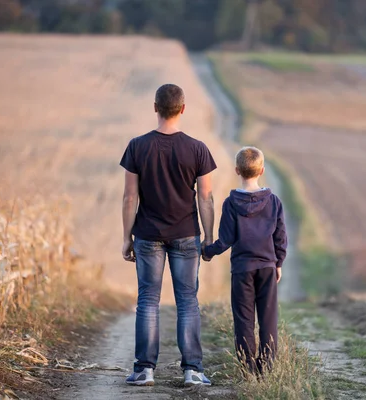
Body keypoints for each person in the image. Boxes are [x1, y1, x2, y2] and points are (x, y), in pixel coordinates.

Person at [120, 84, 215, 387]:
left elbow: (129, 198)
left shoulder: (137, 146)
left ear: (155, 107)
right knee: (187, 300)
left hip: (147, 234)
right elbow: (206, 198)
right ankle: (193, 371)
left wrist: (126, 237)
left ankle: (144, 370)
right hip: (187, 234)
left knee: (148, 300)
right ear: (183, 109)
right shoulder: (197, 148)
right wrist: (209, 236)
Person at [202, 146, 287, 375]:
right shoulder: (274, 202)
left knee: (243, 319)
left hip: (242, 269)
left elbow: (226, 239)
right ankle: (266, 368)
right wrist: (278, 263)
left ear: (237, 170)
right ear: (262, 170)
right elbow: (280, 236)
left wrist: (208, 251)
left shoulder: (231, 203)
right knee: (268, 318)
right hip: (267, 267)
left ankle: (248, 369)